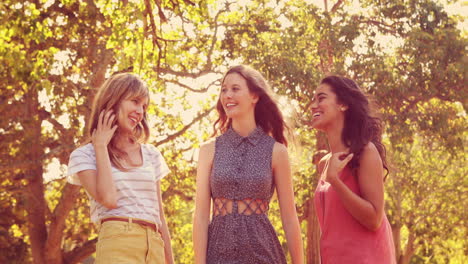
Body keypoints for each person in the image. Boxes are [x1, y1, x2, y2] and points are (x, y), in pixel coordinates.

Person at [193, 65, 304, 264]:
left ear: (254, 96)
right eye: (224, 89)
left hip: (263, 254)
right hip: (218, 255)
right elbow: (201, 215)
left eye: (235, 89)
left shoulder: (276, 151)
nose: (227, 95)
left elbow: (289, 217)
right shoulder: (209, 149)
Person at [67, 73, 174, 264]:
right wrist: (100, 146)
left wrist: (170, 261)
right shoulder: (85, 156)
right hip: (118, 243)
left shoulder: (151, 154)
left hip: (154, 246)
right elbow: (108, 199)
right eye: (135, 101)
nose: (140, 111)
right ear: (113, 101)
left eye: (144, 106)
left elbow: (159, 215)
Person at [310, 76, 396, 263]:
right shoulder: (325, 163)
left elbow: (374, 219)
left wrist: (335, 181)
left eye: (321, 98)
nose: (313, 105)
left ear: (342, 104)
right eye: (313, 99)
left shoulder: (365, 152)